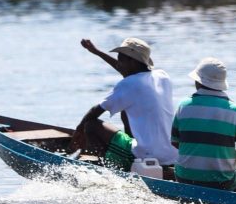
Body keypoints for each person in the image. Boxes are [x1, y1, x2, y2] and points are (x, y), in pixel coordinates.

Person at [71, 37, 178, 172]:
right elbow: (128, 73)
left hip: (147, 154)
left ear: (133, 61)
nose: (118, 64)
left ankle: (112, 169)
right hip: (172, 154)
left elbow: (95, 111)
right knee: (125, 109)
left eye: (121, 59)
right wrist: (97, 52)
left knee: (91, 125)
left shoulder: (128, 84)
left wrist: (79, 131)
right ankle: (127, 157)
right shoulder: (162, 76)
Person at [171, 58, 236, 190]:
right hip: (222, 182)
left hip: (184, 178)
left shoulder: (183, 106)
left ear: (198, 81)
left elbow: (175, 142)